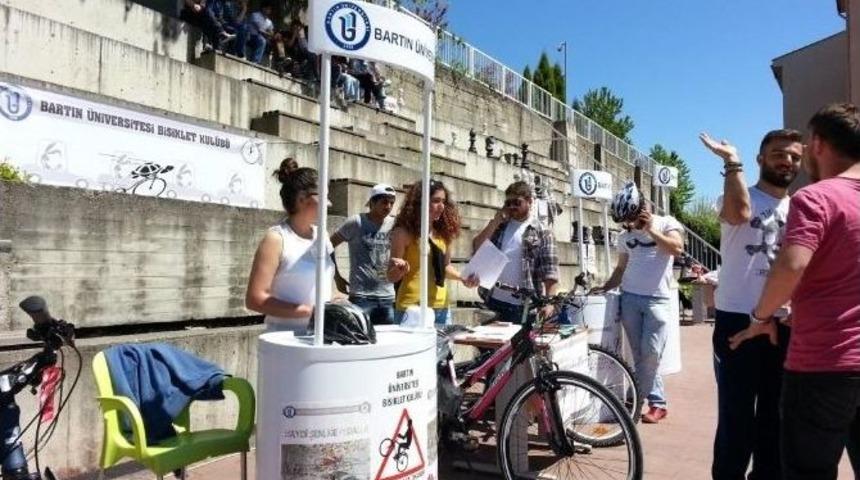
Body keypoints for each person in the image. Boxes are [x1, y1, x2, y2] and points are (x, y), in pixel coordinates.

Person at [728, 104, 860, 480]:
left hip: (824, 365)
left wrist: (760, 317)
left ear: (817, 144)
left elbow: (792, 265)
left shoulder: (816, 198)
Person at [699, 128, 803, 480]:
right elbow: (740, 212)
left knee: (776, 418)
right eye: (778, 153)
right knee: (736, 418)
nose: (787, 161)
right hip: (738, 321)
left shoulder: (801, 208)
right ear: (760, 159)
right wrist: (732, 163)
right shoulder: (738, 192)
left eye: (794, 156)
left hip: (782, 323)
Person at [591, 181, 684, 424]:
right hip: (630, 297)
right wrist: (605, 286)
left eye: (631, 218)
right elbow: (621, 268)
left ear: (642, 208)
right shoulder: (624, 236)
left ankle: (635, 402)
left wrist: (651, 230)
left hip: (658, 299)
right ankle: (658, 403)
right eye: (625, 222)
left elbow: (677, 249)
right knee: (639, 355)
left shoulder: (666, 223)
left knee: (651, 354)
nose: (629, 225)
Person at [245, 158, 334, 333]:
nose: (329, 203)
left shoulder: (323, 236)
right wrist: (310, 312)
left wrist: (342, 301)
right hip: (286, 342)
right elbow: (255, 299)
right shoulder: (276, 239)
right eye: (323, 196)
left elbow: (330, 290)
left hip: (323, 338)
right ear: (302, 199)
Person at [388, 180, 478, 325]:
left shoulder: (443, 234)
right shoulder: (403, 232)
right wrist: (400, 270)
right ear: (420, 202)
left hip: (441, 307)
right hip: (412, 307)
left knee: (443, 348)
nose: (441, 207)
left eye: (443, 201)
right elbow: (391, 275)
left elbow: (446, 267)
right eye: (436, 201)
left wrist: (462, 277)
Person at [471, 181, 559, 323]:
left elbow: (550, 272)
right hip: (494, 300)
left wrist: (550, 302)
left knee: (521, 345)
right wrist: (496, 220)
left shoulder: (543, 232)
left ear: (530, 201)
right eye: (508, 203)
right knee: (491, 345)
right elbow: (477, 247)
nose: (512, 207)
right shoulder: (499, 227)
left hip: (524, 306)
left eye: (517, 202)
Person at [331, 184, 397, 326]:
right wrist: (336, 276)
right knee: (360, 339)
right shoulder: (356, 222)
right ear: (372, 202)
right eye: (384, 202)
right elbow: (328, 245)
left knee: (388, 343)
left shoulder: (394, 224)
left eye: (392, 203)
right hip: (361, 296)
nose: (389, 206)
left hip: (388, 296)